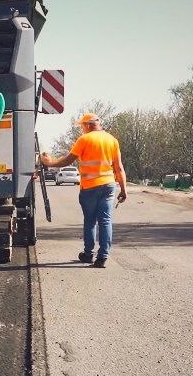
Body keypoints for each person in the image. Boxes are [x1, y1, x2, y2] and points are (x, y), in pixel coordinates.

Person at [40, 113, 127, 268]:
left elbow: (68, 160)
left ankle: (88, 254)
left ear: (87, 125)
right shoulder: (112, 140)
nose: (82, 129)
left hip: (90, 188)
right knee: (105, 221)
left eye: (82, 126)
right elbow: (119, 167)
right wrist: (123, 189)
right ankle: (102, 257)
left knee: (90, 221)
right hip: (108, 185)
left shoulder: (84, 139)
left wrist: (50, 163)